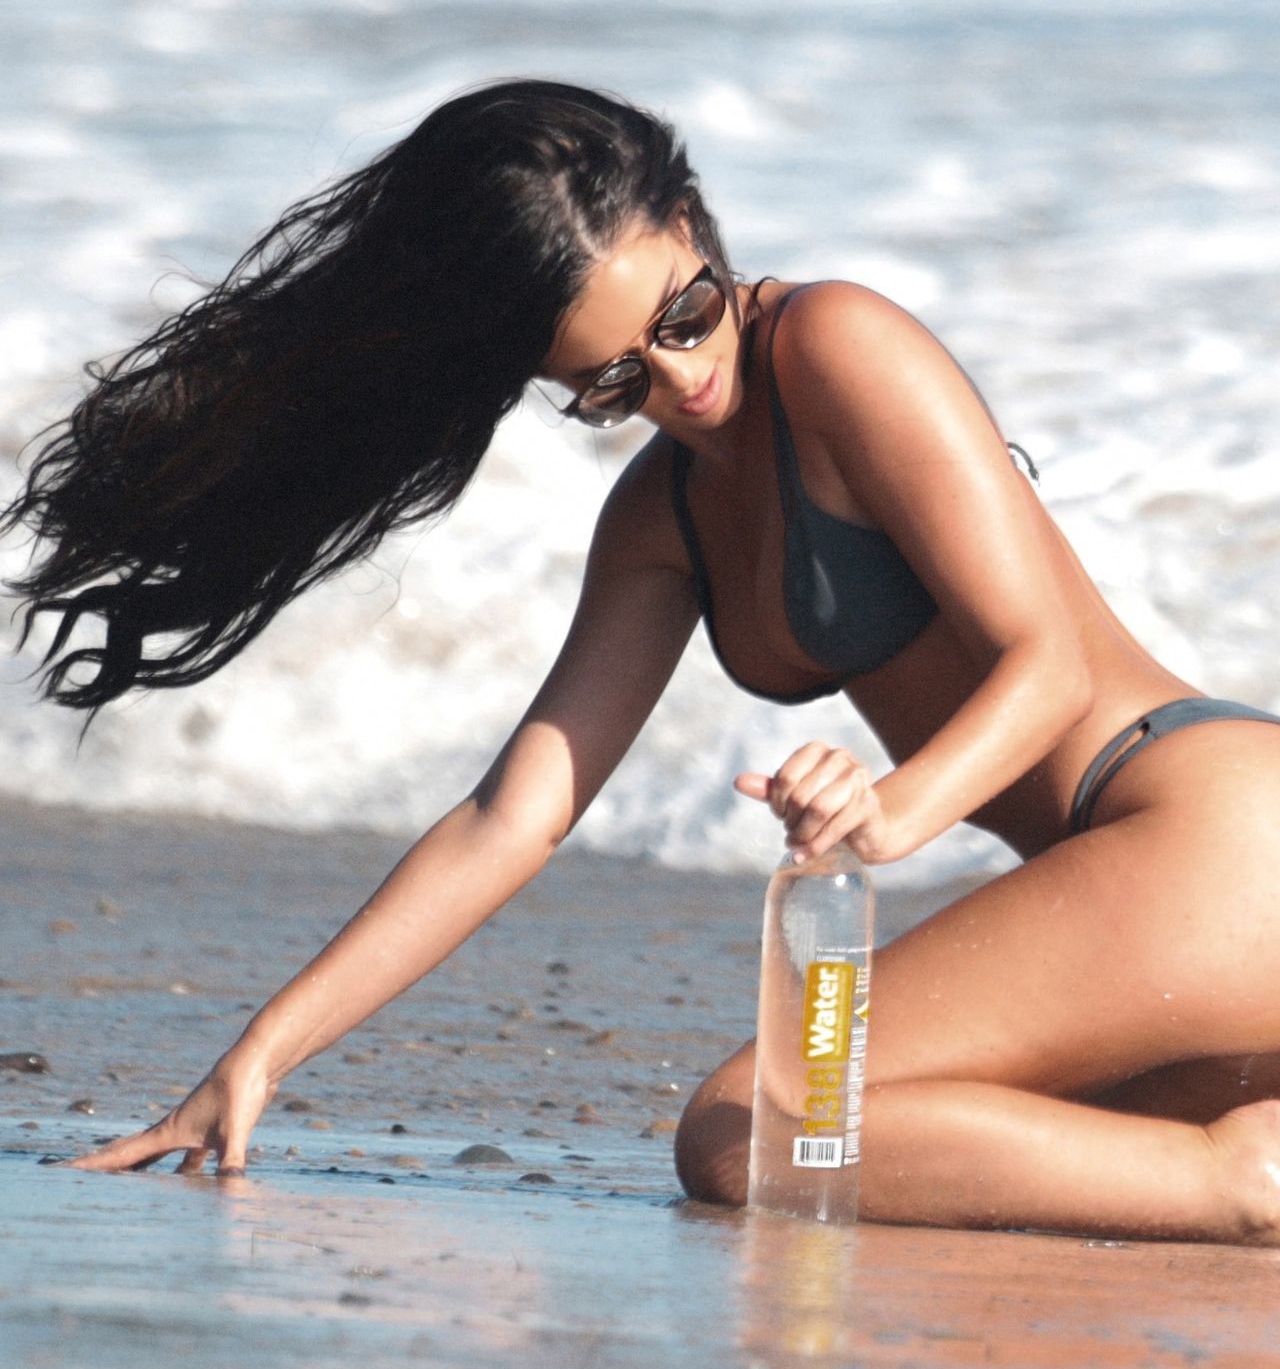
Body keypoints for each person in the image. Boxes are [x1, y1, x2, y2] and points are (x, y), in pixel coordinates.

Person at [5, 77, 1280, 1244]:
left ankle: (1248, 1183)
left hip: (1204, 833)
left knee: (750, 1137)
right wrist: (262, 1054)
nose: (680, 380)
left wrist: (890, 813)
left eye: (685, 315)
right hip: (1161, 897)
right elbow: (513, 815)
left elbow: (1046, 664)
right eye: (612, 381)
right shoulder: (659, 522)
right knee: (993, 1165)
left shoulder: (839, 343)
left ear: (694, 222)